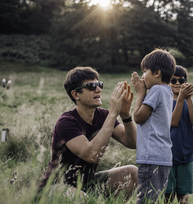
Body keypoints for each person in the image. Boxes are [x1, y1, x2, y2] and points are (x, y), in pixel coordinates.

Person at [37, 66, 138, 201]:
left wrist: (125, 116)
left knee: (132, 173)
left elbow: (132, 142)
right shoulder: (66, 122)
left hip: (86, 183)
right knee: (85, 200)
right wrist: (113, 113)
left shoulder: (103, 116)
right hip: (56, 185)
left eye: (99, 84)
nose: (98, 89)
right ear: (75, 94)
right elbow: (91, 155)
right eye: (91, 86)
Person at [131, 48, 176, 204]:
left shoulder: (156, 90)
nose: (143, 76)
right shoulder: (167, 92)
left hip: (151, 157)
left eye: (145, 71)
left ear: (157, 73)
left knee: (145, 201)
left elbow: (138, 117)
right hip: (163, 157)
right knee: (154, 199)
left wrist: (140, 92)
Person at [165, 65, 193, 204]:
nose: (177, 84)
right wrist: (180, 99)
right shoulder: (165, 103)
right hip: (167, 156)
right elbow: (173, 122)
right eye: (173, 81)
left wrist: (188, 99)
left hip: (187, 156)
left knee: (184, 197)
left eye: (181, 80)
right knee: (166, 196)